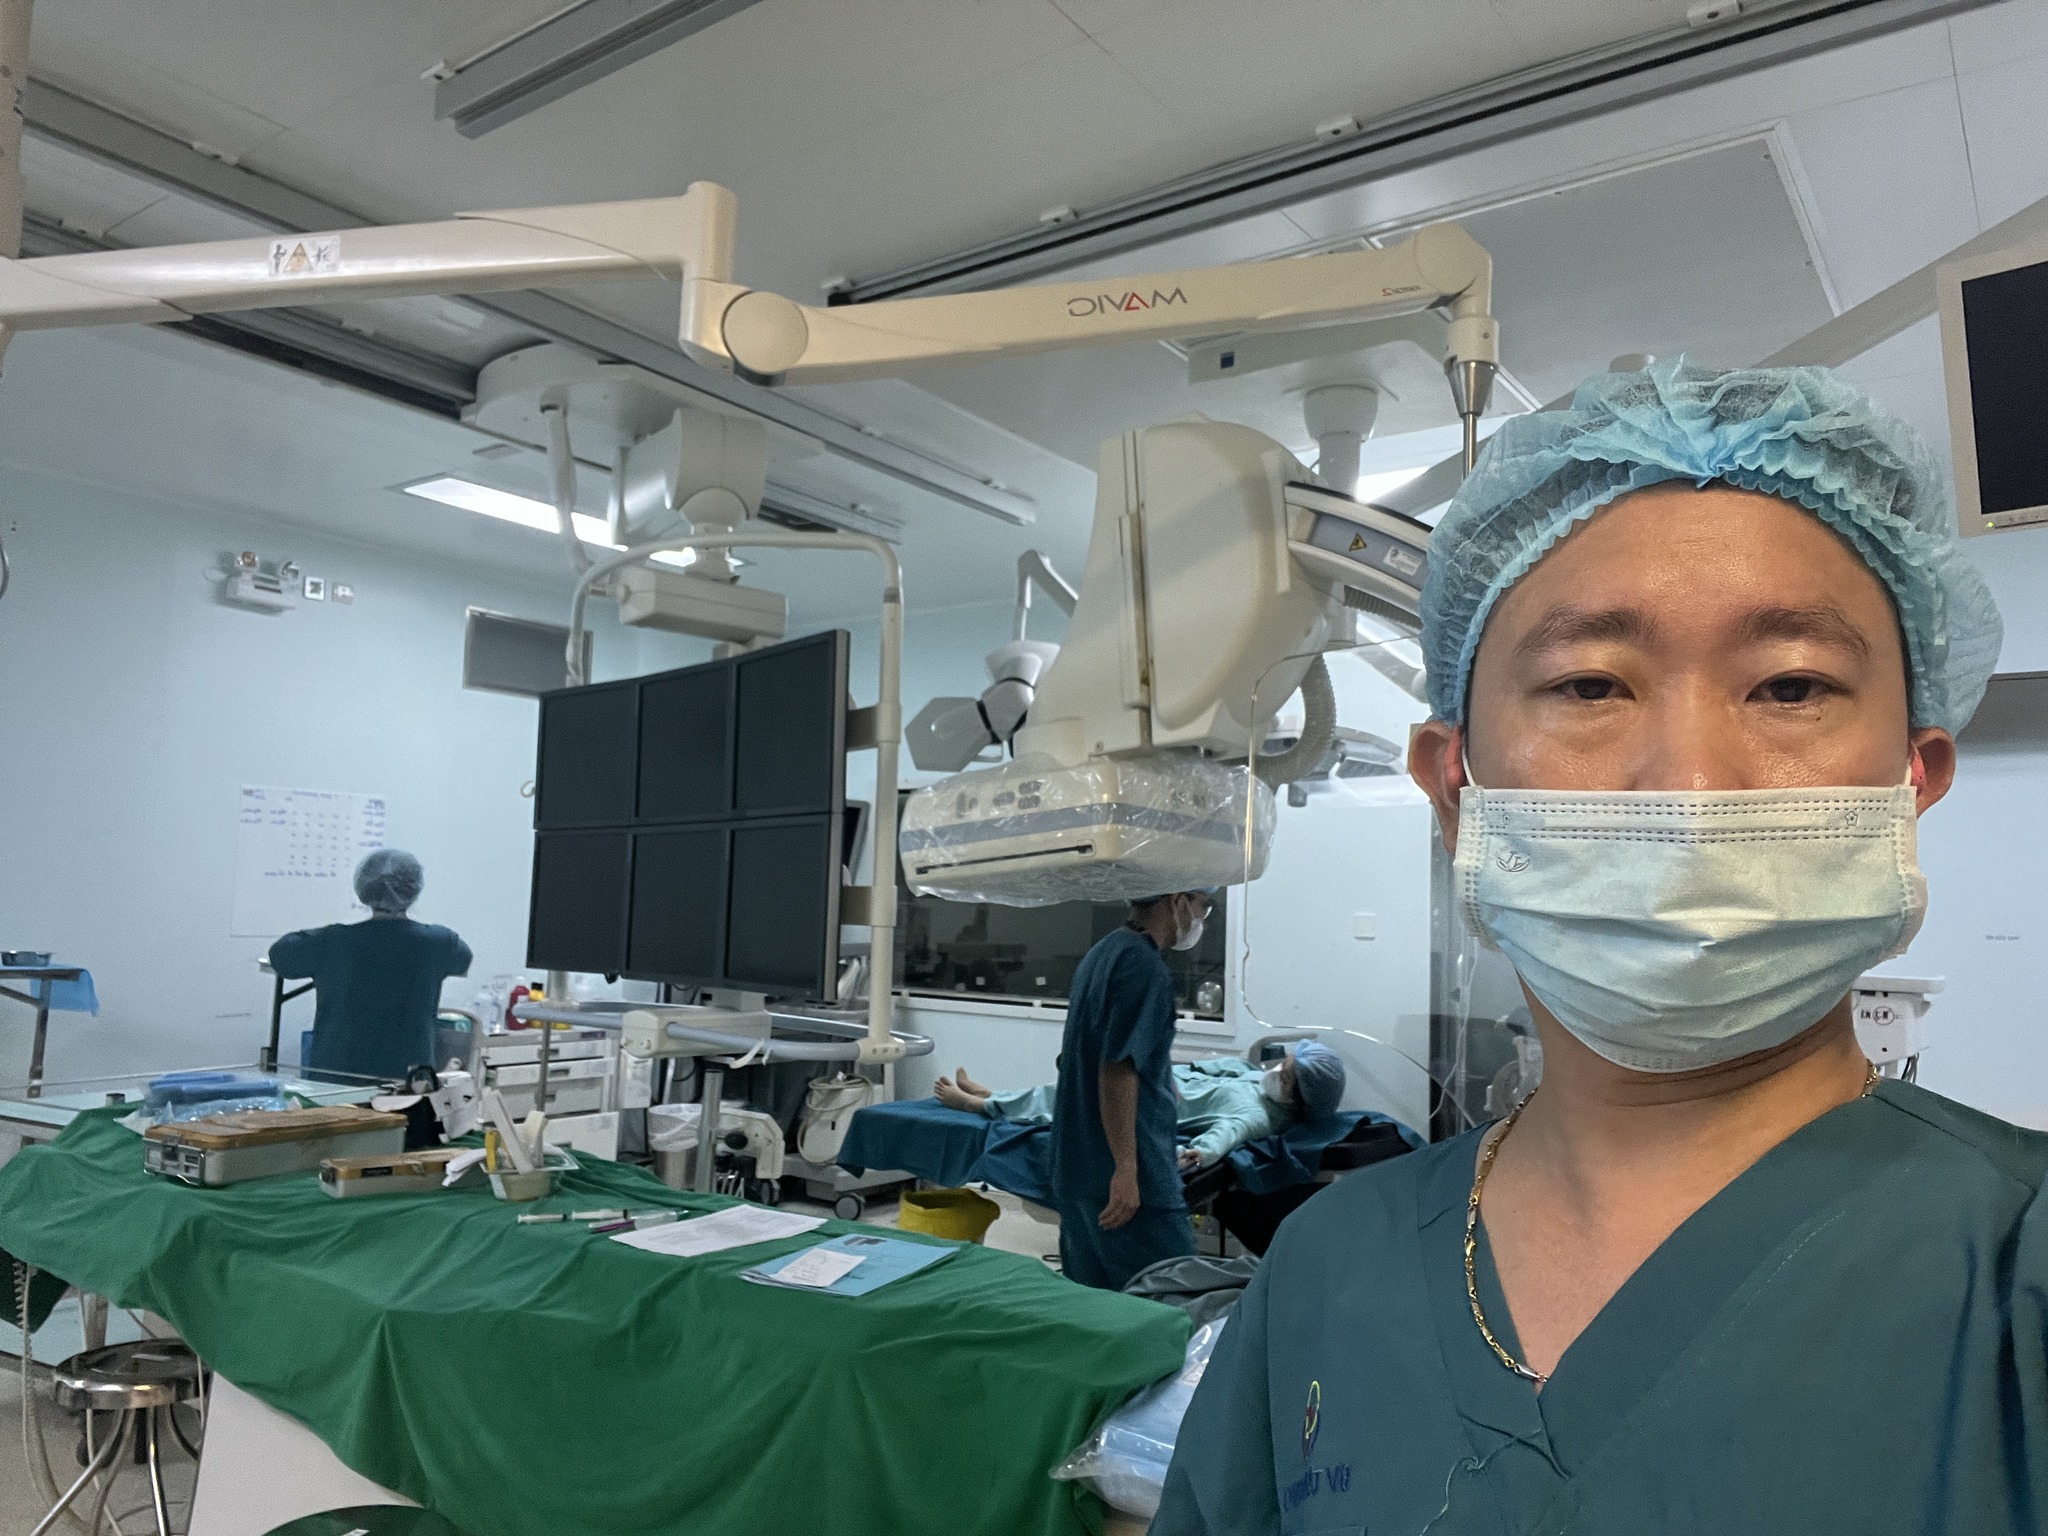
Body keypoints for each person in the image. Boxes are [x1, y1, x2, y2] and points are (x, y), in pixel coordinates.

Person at [1155, 360, 2046, 1533]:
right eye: (1586, 685)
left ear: (1909, 779)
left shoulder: (2016, 1268)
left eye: (1788, 687)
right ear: (1454, 788)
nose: (1688, 783)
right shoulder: (1324, 1266)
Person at [1043, 889, 1213, 1290]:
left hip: (1078, 1167)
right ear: (1177, 900)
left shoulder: (1103, 952)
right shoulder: (1144, 968)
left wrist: (1163, 1081)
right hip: (1130, 1180)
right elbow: (1117, 1070)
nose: (1202, 918)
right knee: (1170, 1300)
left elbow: (1083, 1054)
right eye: (1203, 906)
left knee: (1094, 1303)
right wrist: (1126, 1169)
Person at [933, 1039, 1347, 1170]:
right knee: (1070, 1081)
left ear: (1298, 1099)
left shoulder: (1260, 1114)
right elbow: (1216, 1066)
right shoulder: (1255, 1078)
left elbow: (1229, 1132)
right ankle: (994, 1096)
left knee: (1066, 1100)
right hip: (1163, 1081)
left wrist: (1200, 1153)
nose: (1276, 1071)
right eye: (1283, 1063)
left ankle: (979, 1106)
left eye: (1286, 1076)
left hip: (1152, 1105)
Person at [269, 849, 473, 1082]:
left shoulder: (334, 942)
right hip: (407, 1081)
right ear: (414, 889)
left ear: (364, 888)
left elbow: (280, 956)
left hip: (338, 1078)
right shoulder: (439, 943)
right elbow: (463, 960)